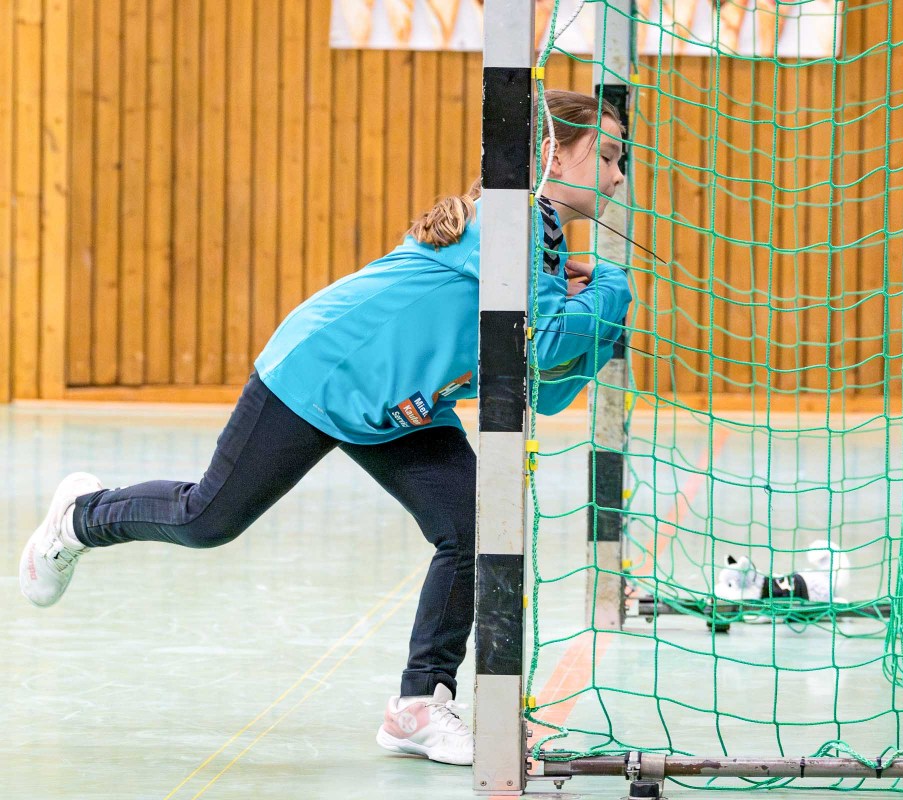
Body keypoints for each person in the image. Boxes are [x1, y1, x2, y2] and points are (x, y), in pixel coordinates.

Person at [17, 89, 630, 767]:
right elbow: (545, 345)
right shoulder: (513, 226)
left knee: (470, 524)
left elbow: (544, 388)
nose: (617, 175)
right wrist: (613, 288)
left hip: (400, 405)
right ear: (552, 155)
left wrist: (598, 314)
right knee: (206, 520)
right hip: (323, 370)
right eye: (606, 155)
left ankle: (419, 705)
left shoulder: (542, 243)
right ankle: (81, 517)